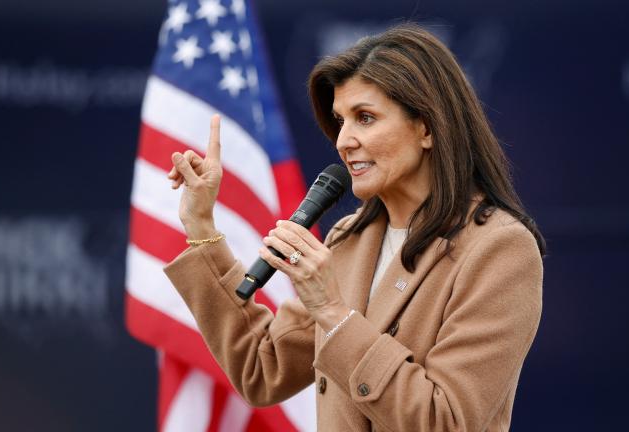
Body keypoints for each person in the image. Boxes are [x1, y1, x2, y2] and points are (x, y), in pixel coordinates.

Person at [164, 24, 545, 432]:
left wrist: (333, 312)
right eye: (340, 120)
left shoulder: (500, 248)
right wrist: (201, 224)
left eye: (365, 118)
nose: (343, 140)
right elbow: (262, 367)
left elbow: (446, 421)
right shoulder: (349, 239)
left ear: (428, 128)